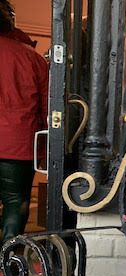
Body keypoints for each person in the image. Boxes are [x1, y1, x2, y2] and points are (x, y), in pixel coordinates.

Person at [0, 0, 48, 249]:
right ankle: (8, 267)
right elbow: (47, 111)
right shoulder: (32, 58)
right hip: (17, 147)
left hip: (17, 144)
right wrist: (42, 152)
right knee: (14, 204)